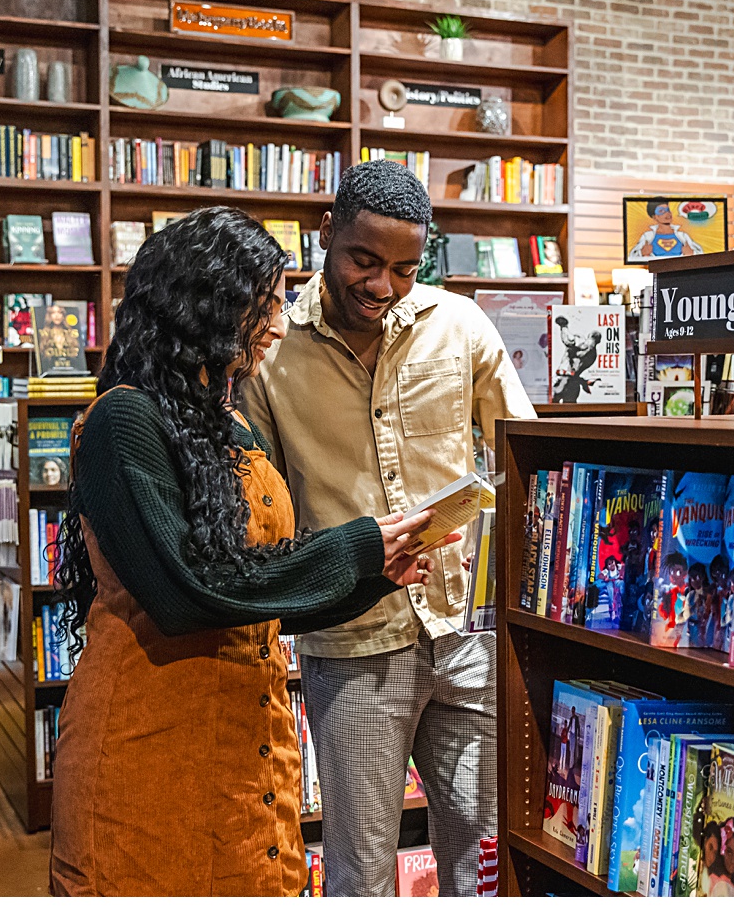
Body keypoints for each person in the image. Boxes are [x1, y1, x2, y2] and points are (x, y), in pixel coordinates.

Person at [47, 207, 449, 897]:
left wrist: (377, 576)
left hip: (243, 752)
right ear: (203, 305)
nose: (278, 323)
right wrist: (354, 546)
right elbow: (186, 593)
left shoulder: (228, 425)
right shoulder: (123, 420)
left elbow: (263, 598)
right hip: (149, 748)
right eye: (262, 303)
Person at [241, 160, 536, 896]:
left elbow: (524, 454)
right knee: (362, 865)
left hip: (468, 632)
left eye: (405, 268)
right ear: (325, 235)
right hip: (353, 643)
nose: (382, 286)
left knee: (487, 854)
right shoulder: (270, 354)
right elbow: (263, 510)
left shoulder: (459, 325)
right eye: (364, 261)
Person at [629, 197, 704, 259]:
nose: (667, 214)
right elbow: (631, 257)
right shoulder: (647, 236)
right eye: (661, 211)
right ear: (654, 216)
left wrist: (692, 253)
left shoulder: (683, 236)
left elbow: (702, 256)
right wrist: (641, 253)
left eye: (668, 210)